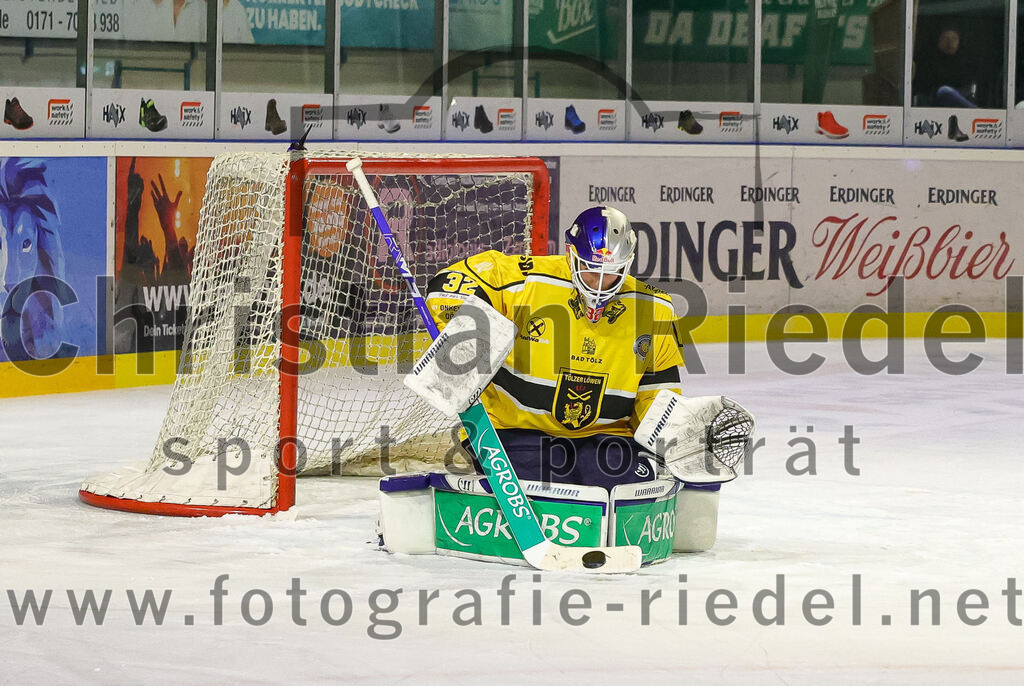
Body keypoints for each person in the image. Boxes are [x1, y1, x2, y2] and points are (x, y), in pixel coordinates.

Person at [422, 206, 684, 492]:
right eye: (590, 267)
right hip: (512, 431)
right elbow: (449, 283)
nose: (598, 282)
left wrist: (669, 440)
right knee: (544, 489)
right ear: (570, 255)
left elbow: (657, 395)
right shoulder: (527, 280)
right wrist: (466, 322)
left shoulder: (655, 309)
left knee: (622, 490)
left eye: (611, 272)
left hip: (606, 437)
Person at [914, 25, 977, 108]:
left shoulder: (966, 62)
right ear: (939, 41)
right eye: (946, 38)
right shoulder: (928, 61)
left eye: (954, 38)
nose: (950, 42)